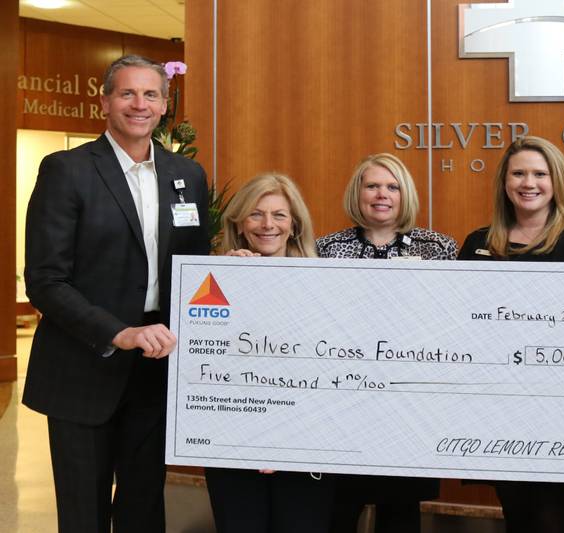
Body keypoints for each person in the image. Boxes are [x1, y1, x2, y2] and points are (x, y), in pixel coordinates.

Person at [23, 55, 210, 533]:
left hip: (155, 368)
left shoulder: (187, 175)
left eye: (150, 95)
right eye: (127, 93)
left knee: (143, 507)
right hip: (83, 366)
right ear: (104, 101)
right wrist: (119, 333)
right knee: (83, 513)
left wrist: (237, 266)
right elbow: (46, 280)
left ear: (165, 105)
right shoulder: (67, 170)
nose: (139, 104)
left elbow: (195, 267)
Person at [458, 136, 564, 533]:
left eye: (539, 173)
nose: (529, 182)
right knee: (516, 512)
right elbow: (457, 324)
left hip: (562, 407)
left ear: (556, 180)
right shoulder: (479, 244)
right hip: (498, 406)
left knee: (552, 516)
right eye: (519, 173)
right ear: (505, 182)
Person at [317, 153, 456, 533]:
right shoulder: (326, 249)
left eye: (392, 186)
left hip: (407, 407)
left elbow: (451, 322)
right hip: (344, 405)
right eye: (373, 185)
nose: (382, 194)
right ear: (357, 193)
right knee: (338, 512)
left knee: (400, 515)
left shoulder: (438, 248)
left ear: (405, 193)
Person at [204, 173, 334, 533]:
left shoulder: (326, 283)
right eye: (256, 214)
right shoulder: (212, 279)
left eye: (279, 215)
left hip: (305, 447)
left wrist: (279, 441)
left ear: (294, 225)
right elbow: (207, 369)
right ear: (239, 223)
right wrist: (232, 278)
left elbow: (331, 373)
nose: (267, 225)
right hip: (233, 446)